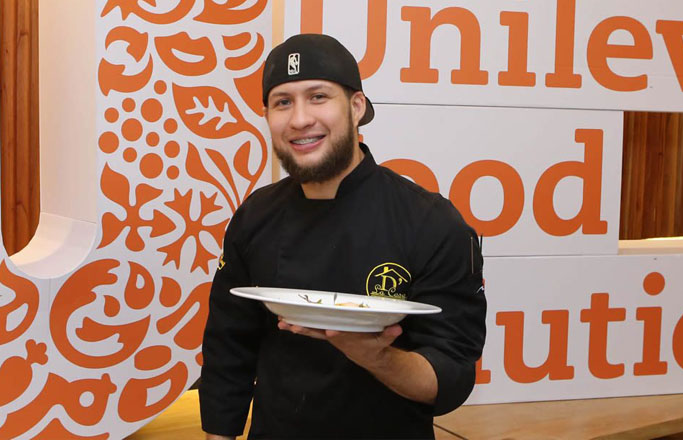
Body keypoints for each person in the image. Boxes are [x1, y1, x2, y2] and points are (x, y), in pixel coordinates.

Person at [199, 33, 486, 440]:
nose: (300, 119)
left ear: (356, 107)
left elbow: (452, 377)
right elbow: (229, 347)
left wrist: (375, 357)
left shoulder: (431, 222)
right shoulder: (255, 216)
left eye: (318, 97)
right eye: (283, 102)